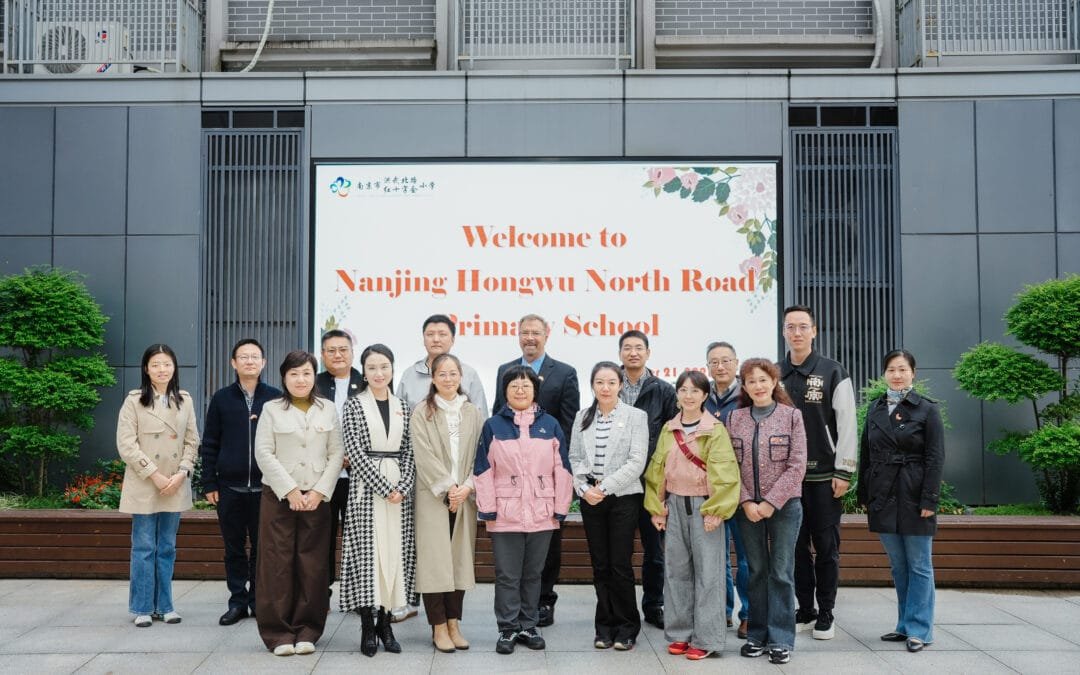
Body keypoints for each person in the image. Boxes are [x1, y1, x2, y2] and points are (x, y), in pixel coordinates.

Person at [474, 365, 573, 655]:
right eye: (514, 386)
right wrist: (488, 509)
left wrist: (560, 508)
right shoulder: (493, 425)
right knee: (507, 575)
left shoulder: (550, 425)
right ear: (505, 391)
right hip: (505, 512)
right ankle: (507, 628)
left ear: (535, 391)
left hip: (542, 513)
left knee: (533, 574)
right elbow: (483, 470)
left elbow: (563, 469)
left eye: (526, 386)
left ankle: (528, 625)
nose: (520, 390)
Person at [491, 314, 580, 627]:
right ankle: (514, 608)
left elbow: (568, 425)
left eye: (536, 333)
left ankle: (544, 601)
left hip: (546, 474)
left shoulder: (565, 373)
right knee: (512, 549)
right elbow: (497, 417)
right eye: (525, 332)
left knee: (548, 543)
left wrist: (557, 470)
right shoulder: (505, 370)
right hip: (512, 475)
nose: (530, 337)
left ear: (547, 334)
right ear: (518, 335)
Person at [643, 370, 739, 660]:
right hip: (674, 505)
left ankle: (706, 638)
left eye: (695, 390)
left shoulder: (715, 429)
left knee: (709, 574)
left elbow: (725, 472)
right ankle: (680, 633)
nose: (689, 395)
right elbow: (657, 469)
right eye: (683, 390)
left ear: (705, 395)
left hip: (704, 506)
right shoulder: (669, 428)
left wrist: (717, 510)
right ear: (677, 394)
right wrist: (657, 507)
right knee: (676, 572)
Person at [253, 350, 344, 656]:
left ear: (314, 376)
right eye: (294, 374)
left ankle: (308, 630)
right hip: (279, 497)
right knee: (276, 564)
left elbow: (336, 453)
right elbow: (264, 452)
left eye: (306, 373)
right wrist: (290, 490)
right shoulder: (271, 409)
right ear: (284, 377)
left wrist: (319, 491)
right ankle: (278, 633)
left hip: (317, 498)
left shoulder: (327, 409)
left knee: (313, 565)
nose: (300, 379)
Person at [857, 349, 944, 654]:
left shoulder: (927, 409)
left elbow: (935, 457)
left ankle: (921, 629)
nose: (897, 375)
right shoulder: (875, 408)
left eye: (903, 369)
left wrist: (930, 498)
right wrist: (864, 494)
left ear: (913, 373)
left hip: (914, 491)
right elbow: (866, 453)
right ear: (884, 374)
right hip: (882, 492)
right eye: (891, 369)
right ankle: (905, 624)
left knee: (919, 565)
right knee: (899, 565)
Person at [779, 304, 857, 640]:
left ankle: (826, 611)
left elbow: (847, 423)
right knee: (795, 548)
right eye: (790, 327)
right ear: (784, 331)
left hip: (825, 477)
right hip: (787, 480)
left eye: (802, 326)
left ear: (814, 331)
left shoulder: (832, 371)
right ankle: (805, 609)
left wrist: (844, 470)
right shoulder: (776, 373)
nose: (796, 332)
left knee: (826, 548)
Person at [726, 358, 807, 665]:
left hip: (784, 506)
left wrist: (771, 502)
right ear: (744, 387)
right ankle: (757, 634)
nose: (758, 386)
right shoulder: (735, 418)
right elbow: (728, 466)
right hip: (746, 508)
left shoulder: (792, 416)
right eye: (751, 381)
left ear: (774, 382)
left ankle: (781, 639)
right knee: (756, 570)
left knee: (781, 572)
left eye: (763, 379)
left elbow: (797, 465)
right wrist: (747, 501)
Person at [338, 344, 417, 657]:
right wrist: (385, 487)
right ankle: (367, 628)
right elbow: (355, 452)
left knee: (394, 555)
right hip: (366, 489)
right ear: (364, 372)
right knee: (368, 557)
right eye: (372, 368)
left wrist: (403, 486)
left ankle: (386, 624)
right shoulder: (354, 405)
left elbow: (410, 450)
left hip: (400, 490)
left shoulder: (403, 406)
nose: (378, 373)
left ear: (392, 369)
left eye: (384, 367)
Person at [117, 344, 200, 628]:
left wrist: (182, 473)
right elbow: (126, 444)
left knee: (166, 546)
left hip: (175, 482)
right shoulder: (134, 401)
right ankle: (142, 607)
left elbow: (192, 441)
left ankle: (165, 606)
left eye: (166, 364)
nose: (162, 369)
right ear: (146, 369)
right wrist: (154, 474)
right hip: (145, 482)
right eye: (155, 365)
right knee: (143, 546)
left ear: (174, 367)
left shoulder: (184, 401)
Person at [200, 338, 281, 626]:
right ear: (233, 363)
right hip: (229, 488)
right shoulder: (221, 398)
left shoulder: (275, 398)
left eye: (254, 356)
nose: (249, 361)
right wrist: (209, 483)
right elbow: (210, 443)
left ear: (263, 363)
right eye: (243, 357)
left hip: (266, 489)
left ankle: (258, 601)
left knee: (262, 549)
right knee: (233, 549)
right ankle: (237, 601)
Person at [568, 361, 648, 651]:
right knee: (600, 564)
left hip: (623, 497)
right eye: (600, 382)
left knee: (620, 564)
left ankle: (627, 627)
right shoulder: (583, 416)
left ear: (620, 385)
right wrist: (584, 489)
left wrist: (603, 488)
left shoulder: (636, 416)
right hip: (591, 499)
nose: (605, 388)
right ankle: (604, 627)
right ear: (592, 385)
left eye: (611, 382)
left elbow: (636, 462)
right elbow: (575, 457)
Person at [410, 353, 484, 653]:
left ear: (461, 377)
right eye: (442, 374)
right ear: (433, 378)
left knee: (458, 562)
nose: (448, 379)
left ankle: (454, 623)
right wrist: (447, 488)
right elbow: (423, 454)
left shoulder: (472, 412)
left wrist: (466, 487)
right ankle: (438, 626)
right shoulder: (422, 412)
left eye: (453, 373)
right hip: (433, 496)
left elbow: (482, 453)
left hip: (465, 497)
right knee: (434, 562)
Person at [617, 329, 677, 629]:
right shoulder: (610, 384)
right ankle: (622, 609)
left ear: (648, 353)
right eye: (627, 348)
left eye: (638, 348)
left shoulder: (664, 390)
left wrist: (663, 477)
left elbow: (672, 436)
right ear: (620, 353)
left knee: (655, 551)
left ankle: (654, 605)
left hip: (653, 482)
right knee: (620, 550)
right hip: (618, 484)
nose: (633, 353)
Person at [704, 340, 751, 639]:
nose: (720, 367)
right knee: (716, 555)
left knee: (746, 557)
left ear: (736, 363)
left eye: (725, 361)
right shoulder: (701, 396)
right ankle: (721, 611)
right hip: (711, 489)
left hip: (743, 488)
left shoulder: (748, 395)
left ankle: (748, 614)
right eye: (714, 362)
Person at [314, 329, 363, 598]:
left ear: (352, 352)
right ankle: (322, 592)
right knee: (323, 535)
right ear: (322, 355)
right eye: (331, 350)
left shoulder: (366, 382)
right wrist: (333, 458)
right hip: (323, 476)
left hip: (358, 475)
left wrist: (353, 456)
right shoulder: (314, 383)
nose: (337, 355)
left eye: (343, 349)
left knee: (357, 537)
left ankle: (356, 594)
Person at [398, 313, 488, 415]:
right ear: (423, 340)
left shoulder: (469, 374)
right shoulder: (410, 374)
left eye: (442, 334)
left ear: (453, 340)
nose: (436, 339)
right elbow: (399, 415)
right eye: (430, 334)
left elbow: (481, 416)